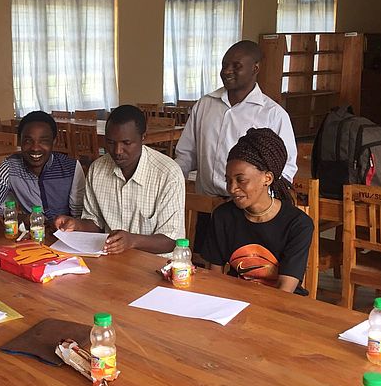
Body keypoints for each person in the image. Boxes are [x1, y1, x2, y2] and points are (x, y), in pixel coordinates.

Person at [55, 105, 185, 255]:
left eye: (126, 143)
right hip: (111, 258)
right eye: (110, 142)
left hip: (155, 263)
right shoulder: (97, 169)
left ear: (143, 137)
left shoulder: (168, 174)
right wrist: (76, 225)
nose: (117, 151)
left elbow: (171, 241)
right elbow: (95, 222)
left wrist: (132, 241)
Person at [174, 40, 297, 197]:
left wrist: (261, 202)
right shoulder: (205, 105)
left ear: (255, 68)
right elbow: (186, 155)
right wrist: (172, 181)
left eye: (236, 66)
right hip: (206, 201)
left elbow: (285, 168)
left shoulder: (273, 114)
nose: (227, 71)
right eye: (224, 65)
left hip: (248, 205)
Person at [202, 128, 313, 294]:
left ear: (267, 178)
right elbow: (214, 276)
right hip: (235, 299)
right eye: (228, 180)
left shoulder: (298, 224)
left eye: (241, 180)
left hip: (281, 304)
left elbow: (285, 290)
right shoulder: (223, 216)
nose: (232, 188)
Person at [0, 110, 84, 221]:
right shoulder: (10, 166)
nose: (35, 148)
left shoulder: (71, 167)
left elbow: (80, 214)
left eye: (44, 141)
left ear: (53, 142)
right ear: (20, 141)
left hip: (65, 230)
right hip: (31, 229)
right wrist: (21, 218)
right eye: (28, 141)